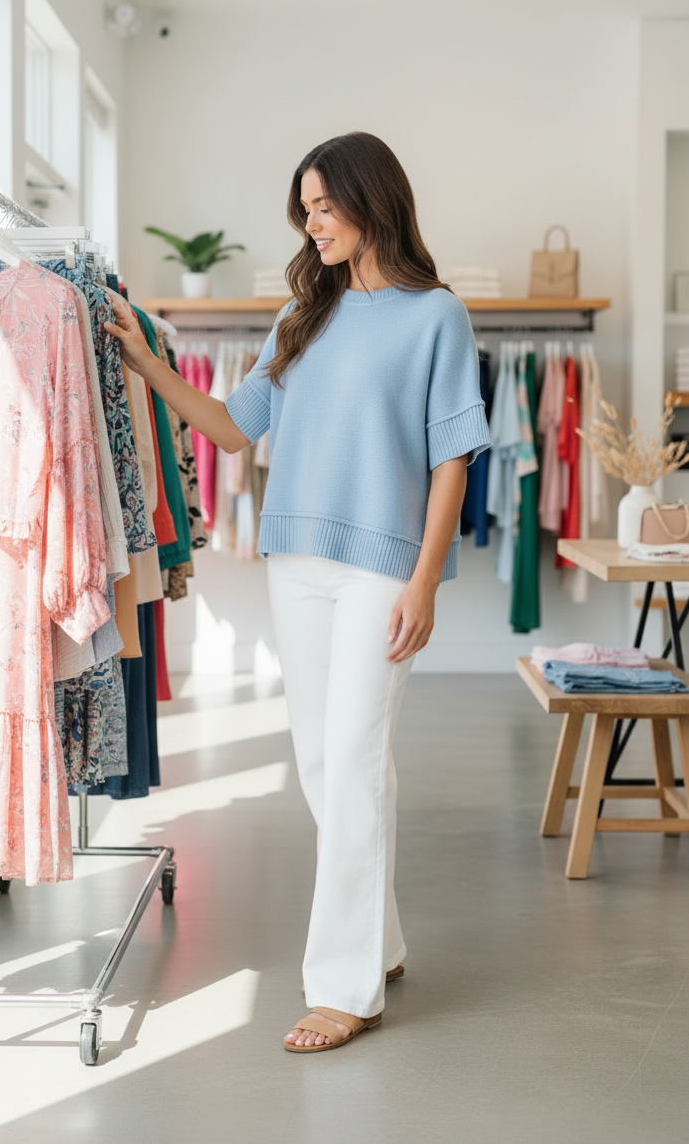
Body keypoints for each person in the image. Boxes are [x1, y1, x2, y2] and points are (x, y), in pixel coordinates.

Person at [105, 131, 490, 1052]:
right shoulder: (300, 318)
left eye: (324, 205)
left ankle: (344, 985)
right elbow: (233, 430)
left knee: (351, 762)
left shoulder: (437, 314)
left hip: (382, 568)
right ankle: (382, 937)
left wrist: (427, 580)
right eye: (304, 209)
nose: (311, 223)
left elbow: (452, 458)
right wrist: (148, 365)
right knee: (328, 764)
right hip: (297, 564)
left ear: (372, 201)